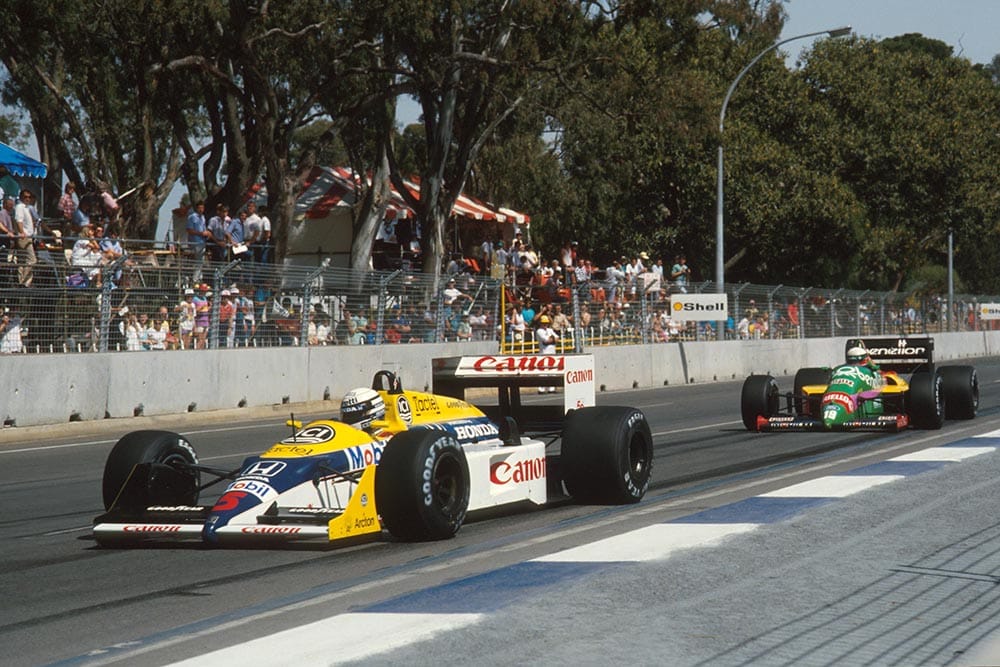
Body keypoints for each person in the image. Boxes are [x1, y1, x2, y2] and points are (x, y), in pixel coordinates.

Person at [13, 189, 37, 287]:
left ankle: (23, 282)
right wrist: (22, 232)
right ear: (21, 197)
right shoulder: (20, 207)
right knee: (32, 260)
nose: (27, 199)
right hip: (24, 237)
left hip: (29, 236)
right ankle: (24, 282)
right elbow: (19, 220)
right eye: (25, 197)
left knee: (23, 261)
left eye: (29, 197)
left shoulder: (27, 208)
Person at [186, 200, 209, 283]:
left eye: (202, 208)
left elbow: (203, 229)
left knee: (201, 261)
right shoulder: (192, 217)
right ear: (196, 208)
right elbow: (189, 230)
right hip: (195, 242)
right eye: (199, 208)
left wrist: (206, 233)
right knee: (197, 261)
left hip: (202, 242)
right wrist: (201, 233)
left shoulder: (203, 217)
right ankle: (195, 279)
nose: (201, 209)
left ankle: (199, 277)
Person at [535, 314, 559, 393]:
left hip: (552, 352)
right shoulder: (539, 331)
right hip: (544, 353)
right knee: (543, 372)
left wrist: (552, 339)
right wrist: (552, 339)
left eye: (546, 323)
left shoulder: (550, 330)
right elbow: (546, 341)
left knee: (553, 371)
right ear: (540, 323)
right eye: (543, 323)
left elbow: (557, 338)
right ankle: (541, 389)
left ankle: (551, 388)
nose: (545, 324)